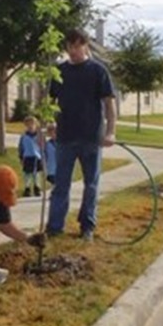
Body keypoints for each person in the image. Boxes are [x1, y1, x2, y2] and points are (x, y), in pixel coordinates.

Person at [46, 28, 117, 241]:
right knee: (60, 184)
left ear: (85, 46)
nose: (73, 50)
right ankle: (55, 227)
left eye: (78, 46)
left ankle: (87, 226)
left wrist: (111, 132)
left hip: (91, 138)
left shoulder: (98, 71)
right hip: (65, 137)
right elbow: (49, 103)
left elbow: (109, 104)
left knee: (91, 184)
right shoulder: (59, 72)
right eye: (70, 46)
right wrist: (50, 122)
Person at [18, 115, 42, 197]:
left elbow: (43, 147)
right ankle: (27, 188)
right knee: (27, 174)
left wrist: (43, 156)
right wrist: (21, 157)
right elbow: (21, 147)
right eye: (28, 125)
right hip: (27, 157)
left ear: (35, 125)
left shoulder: (39, 136)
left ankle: (37, 187)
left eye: (32, 124)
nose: (30, 126)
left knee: (36, 174)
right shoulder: (24, 137)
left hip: (37, 157)